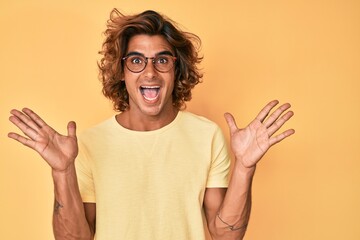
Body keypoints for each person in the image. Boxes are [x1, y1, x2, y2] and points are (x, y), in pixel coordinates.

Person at [8, 9, 294, 240]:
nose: (149, 72)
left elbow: (224, 235)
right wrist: (62, 171)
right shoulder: (88, 145)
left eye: (161, 60)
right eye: (136, 61)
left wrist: (245, 167)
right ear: (121, 72)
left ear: (176, 68)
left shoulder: (206, 136)